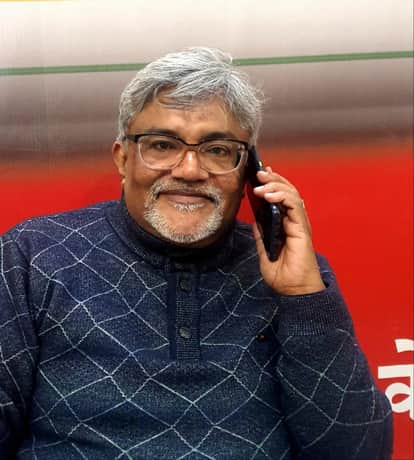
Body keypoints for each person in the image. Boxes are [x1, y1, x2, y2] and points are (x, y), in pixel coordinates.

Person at [0, 47, 393, 460]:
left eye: (217, 150)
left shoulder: (291, 272)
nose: (190, 170)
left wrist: (303, 296)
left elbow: (359, 452)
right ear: (123, 158)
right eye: (162, 145)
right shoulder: (33, 257)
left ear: (249, 170)